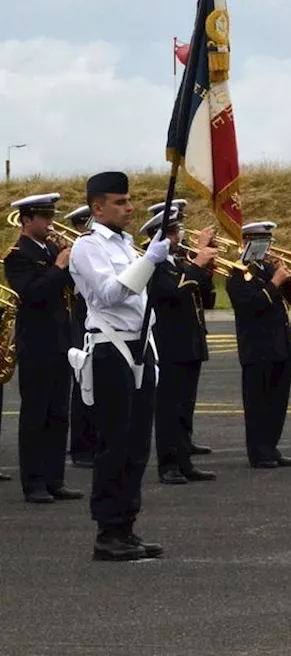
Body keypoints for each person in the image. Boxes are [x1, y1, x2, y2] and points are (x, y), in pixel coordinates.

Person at [67, 172, 167, 561]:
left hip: (139, 347)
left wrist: (152, 261)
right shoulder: (88, 247)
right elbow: (109, 295)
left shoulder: (126, 245)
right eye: (121, 202)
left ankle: (127, 525)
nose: (130, 208)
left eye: (129, 201)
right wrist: (148, 263)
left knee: (138, 443)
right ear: (98, 207)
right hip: (111, 351)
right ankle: (108, 530)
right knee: (115, 443)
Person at [4, 193, 82, 504]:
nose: (51, 222)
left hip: (61, 339)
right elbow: (31, 293)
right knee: (36, 413)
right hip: (36, 342)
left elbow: (71, 289)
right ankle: (34, 482)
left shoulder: (51, 248)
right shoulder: (17, 255)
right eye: (44, 217)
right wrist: (59, 266)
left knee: (58, 412)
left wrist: (69, 263)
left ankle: (55, 478)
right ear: (26, 220)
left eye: (51, 215)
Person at [142, 206, 218, 484]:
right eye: (174, 233)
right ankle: (169, 464)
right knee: (168, 408)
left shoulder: (178, 264)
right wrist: (198, 264)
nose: (180, 237)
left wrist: (204, 269)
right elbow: (173, 295)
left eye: (178, 231)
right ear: (159, 237)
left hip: (191, 342)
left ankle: (185, 460)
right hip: (169, 344)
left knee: (185, 406)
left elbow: (205, 300)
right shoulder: (154, 266)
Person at [226, 222, 291, 469]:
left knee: (278, 401)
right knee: (259, 402)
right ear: (247, 242)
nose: (268, 248)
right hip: (257, 347)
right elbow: (253, 305)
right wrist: (276, 281)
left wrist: (286, 277)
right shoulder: (237, 273)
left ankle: (271, 445)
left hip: (280, 343)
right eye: (261, 242)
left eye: (268, 242)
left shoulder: (268, 268)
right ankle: (259, 451)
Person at [63, 204, 98, 468]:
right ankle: (81, 446)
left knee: (97, 383)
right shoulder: (77, 250)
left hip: (97, 318)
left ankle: (94, 440)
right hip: (81, 318)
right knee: (82, 381)